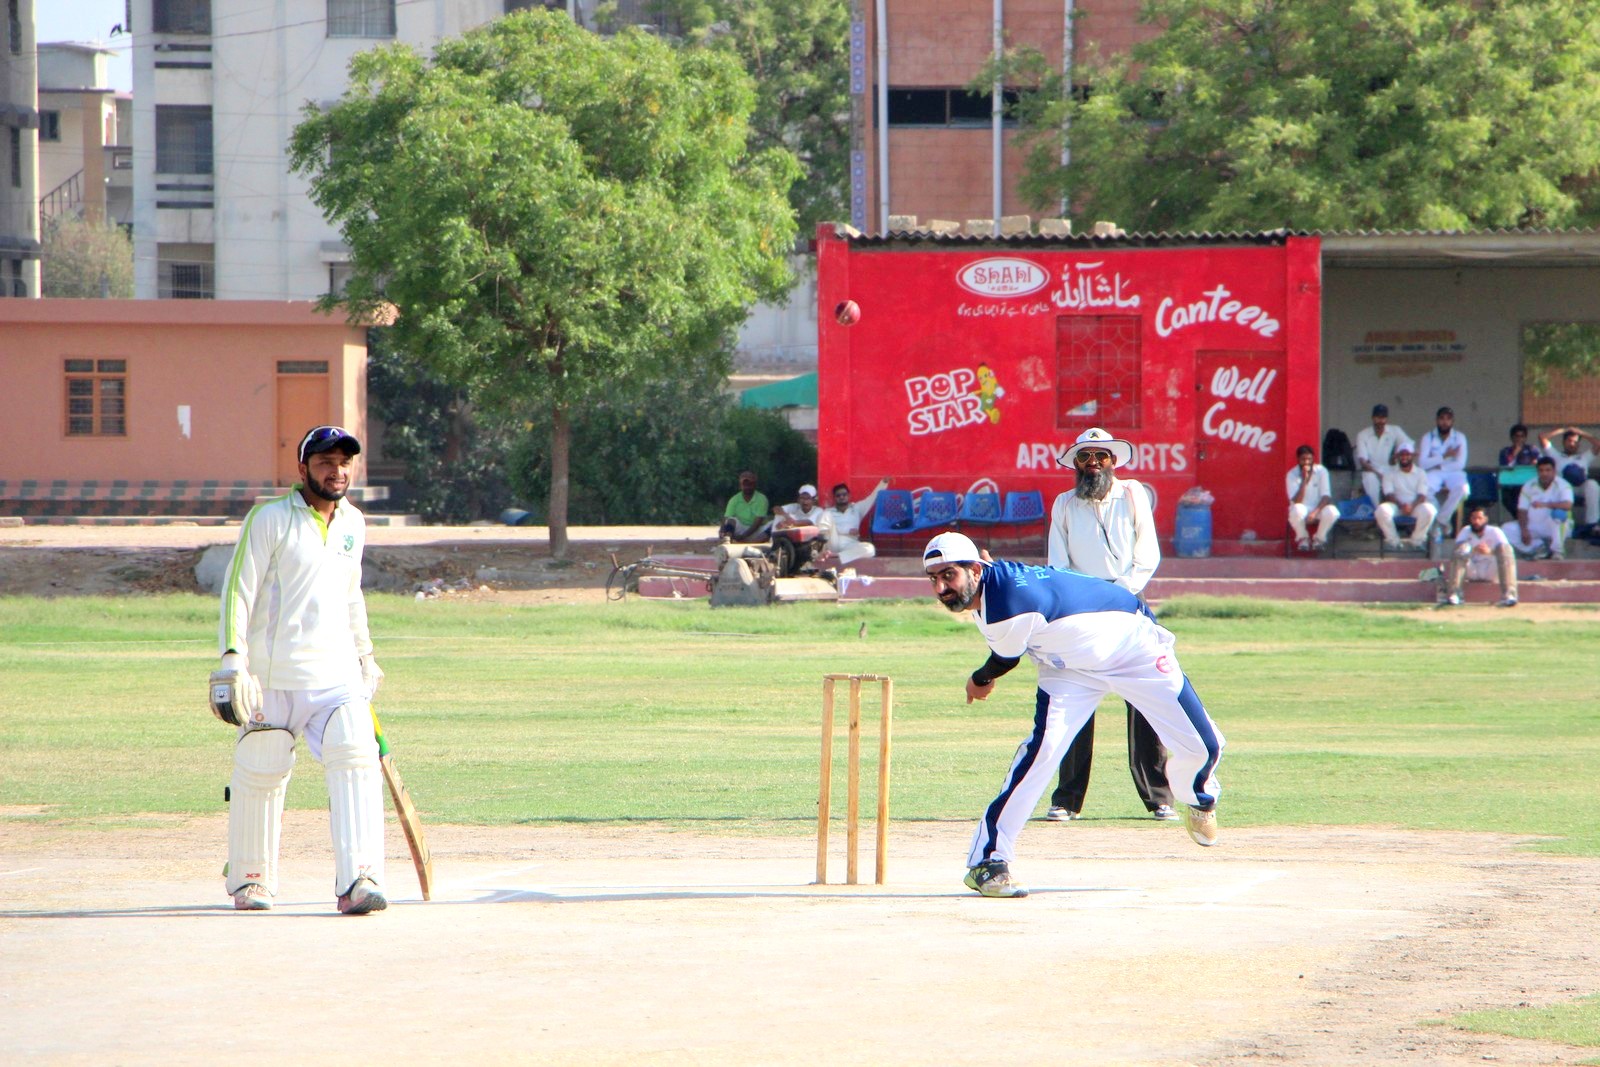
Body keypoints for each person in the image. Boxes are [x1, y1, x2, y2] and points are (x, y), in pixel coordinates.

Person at [921, 532, 1225, 898]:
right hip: (1067, 669)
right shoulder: (990, 580)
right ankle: (989, 861)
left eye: (948, 575)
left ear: (975, 568)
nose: (941, 588)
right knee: (1043, 752)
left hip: (1135, 650)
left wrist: (979, 680)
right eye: (933, 579)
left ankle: (1199, 796)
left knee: (1205, 746)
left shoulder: (1006, 606)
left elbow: (1002, 661)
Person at [211, 425, 387, 915]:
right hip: (273, 677)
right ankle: (251, 880)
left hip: (337, 675)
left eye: (344, 462)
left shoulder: (353, 523)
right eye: (326, 462)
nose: (337, 471)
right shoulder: (270, 518)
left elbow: (351, 595)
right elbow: (238, 589)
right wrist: (233, 659)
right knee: (262, 765)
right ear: (303, 467)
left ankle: (359, 879)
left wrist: (366, 656)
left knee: (356, 755)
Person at [1043, 427, 1174, 823]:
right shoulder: (1064, 503)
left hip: (1128, 602)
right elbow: (1057, 563)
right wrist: (1083, 598)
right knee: (1073, 698)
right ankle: (1067, 799)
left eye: (1101, 456)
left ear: (1113, 461)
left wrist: (1120, 592)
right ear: (1076, 463)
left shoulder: (1132, 493)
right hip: (1081, 608)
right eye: (1085, 457)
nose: (1093, 463)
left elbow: (1147, 554)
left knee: (1146, 697)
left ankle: (1159, 796)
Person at [1438, 504, 1518, 608]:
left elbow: (1506, 553)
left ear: (1485, 519)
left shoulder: (1495, 531)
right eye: (1474, 518)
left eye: (1480, 518)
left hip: (1491, 568)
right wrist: (1472, 550)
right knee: (1461, 549)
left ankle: (1509, 595)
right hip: (1472, 569)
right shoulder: (1465, 531)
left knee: (1505, 550)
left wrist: (1490, 552)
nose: (1476, 521)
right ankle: (1455, 594)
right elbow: (1455, 553)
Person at [1503, 456, 1575, 560]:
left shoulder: (1563, 485)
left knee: (1558, 514)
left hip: (1556, 527)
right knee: (1506, 529)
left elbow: (1567, 505)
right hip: (1534, 526)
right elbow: (1522, 509)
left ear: (1554, 471)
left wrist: (1545, 504)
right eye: (1541, 470)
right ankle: (1539, 547)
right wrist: (1524, 530)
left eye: (1548, 470)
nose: (1544, 474)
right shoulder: (1529, 485)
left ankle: (1557, 551)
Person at [1537, 426, 1600, 533]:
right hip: (1563, 490)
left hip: (1579, 488)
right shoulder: (1556, 456)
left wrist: (1581, 432)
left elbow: (1598, 444)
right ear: (1564, 442)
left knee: (1592, 484)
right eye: (1569, 441)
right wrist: (1564, 430)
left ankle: (1592, 524)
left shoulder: (1584, 457)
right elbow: (1542, 437)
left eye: (1575, 442)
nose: (1572, 444)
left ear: (1578, 444)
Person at [1374, 443, 1436, 550]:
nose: (1404, 457)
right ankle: (1394, 542)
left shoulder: (1421, 473)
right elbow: (1388, 494)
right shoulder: (1389, 473)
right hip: (1396, 505)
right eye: (1401, 455)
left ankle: (1417, 541)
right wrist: (1402, 506)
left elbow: (1422, 495)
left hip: (1415, 506)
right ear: (1398, 457)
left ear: (1412, 456)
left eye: (1407, 454)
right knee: (1381, 510)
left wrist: (1411, 506)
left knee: (1430, 510)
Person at [1418, 406, 1469, 530]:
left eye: (1448, 419)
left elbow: (1460, 464)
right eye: (1442, 418)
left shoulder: (1459, 437)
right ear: (1436, 420)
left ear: (1452, 421)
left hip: (1453, 472)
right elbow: (1422, 463)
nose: (1445, 422)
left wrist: (1438, 464)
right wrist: (1444, 456)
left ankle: (1441, 519)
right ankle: (1441, 520)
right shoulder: (1428, 437)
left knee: (1463, 489)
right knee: (1425, 490)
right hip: (1434, 472)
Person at [825, 477, 891, 566]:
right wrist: (846, 531)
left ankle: (838, 556)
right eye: (838, 495)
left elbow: (872, 498)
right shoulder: (828, 512)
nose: (841, 497)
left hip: (850, 543)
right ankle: (839, 554)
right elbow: (824, 529)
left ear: (849, 495)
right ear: (834, 498)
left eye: (844, 494)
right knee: (826, 519)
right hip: (833, 542)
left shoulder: (857, 508)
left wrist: (883, 483)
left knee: (870, 549)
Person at [1286, 443, 1339, 552]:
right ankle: (1303, 538)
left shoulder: (1321, 471)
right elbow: (1297, 502)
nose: (1307, 462)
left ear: (1313, 459)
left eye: (1309, 459)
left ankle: (1319, 539)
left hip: (1318, 508)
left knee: (1333, 512)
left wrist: (1315, 512)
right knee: (1296, 510)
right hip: (1302, 509)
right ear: (1298, 459)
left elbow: (1326, 496)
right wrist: (1304, 481)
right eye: (1303, 459)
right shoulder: (1292, 474)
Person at [1354, 403, 1408, 505]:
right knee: (1369, 478)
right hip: (1373, 470)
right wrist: (1379, 475)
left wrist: (1397, 455)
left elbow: (1408, 446)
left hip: (1391, 469)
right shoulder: (1363, 434)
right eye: (1377, 417)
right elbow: (1363, 461)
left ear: (1386, 419)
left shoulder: (1395, 430)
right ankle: (1376, 508)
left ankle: (1401, 507)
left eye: (1383, 418)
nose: (1380, 421)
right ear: (1372, 418)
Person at [718, 470, 771, 543]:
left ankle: (753, 542)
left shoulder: (762, 499)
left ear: (755, 485)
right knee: (731, 520)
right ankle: (727, 538)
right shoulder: (734, 499)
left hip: (758, 531)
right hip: (741, 529)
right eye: (744, 484)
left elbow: (757, 523)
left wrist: (744, 536)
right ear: (740, 486)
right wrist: (722, 531)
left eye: (750, 484)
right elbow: (726, 518)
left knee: (774, 524)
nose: (747, 487)